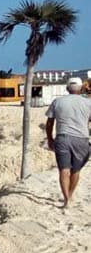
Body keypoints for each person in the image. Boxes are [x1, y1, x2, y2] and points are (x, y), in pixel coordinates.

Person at [45, 77, 91, 208]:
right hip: (81, 138)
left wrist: (49, 138)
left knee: (64, 170)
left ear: (67, 88)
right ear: (81, 88)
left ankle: (66, 199)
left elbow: (49, 123)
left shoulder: (57, 102)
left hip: (62, 138)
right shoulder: (88, 103)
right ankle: (70, 195)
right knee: (75, 170)